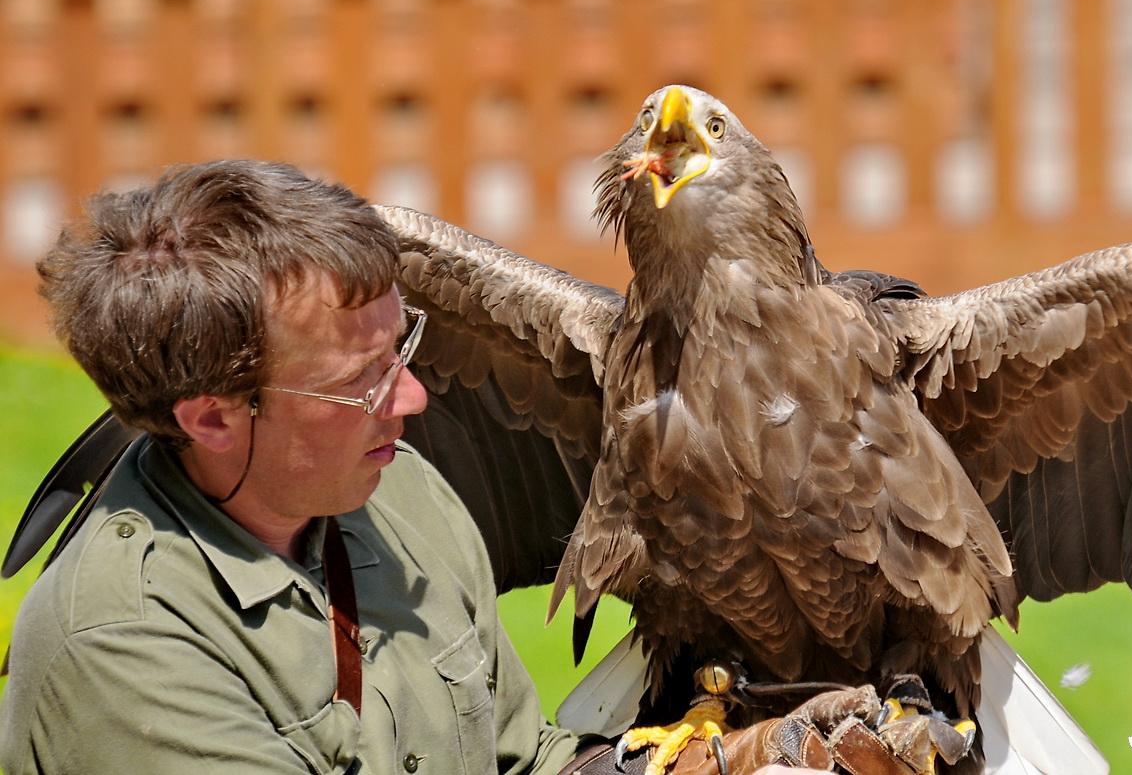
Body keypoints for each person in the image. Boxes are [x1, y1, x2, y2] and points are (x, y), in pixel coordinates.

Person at [0, 160, 907, 775]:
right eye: (361, 379)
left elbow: (523, 763)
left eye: (405, 347)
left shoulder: (397, 498)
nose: (415, 400)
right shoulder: (126, 644)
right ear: (208, 418)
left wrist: (746, 761)